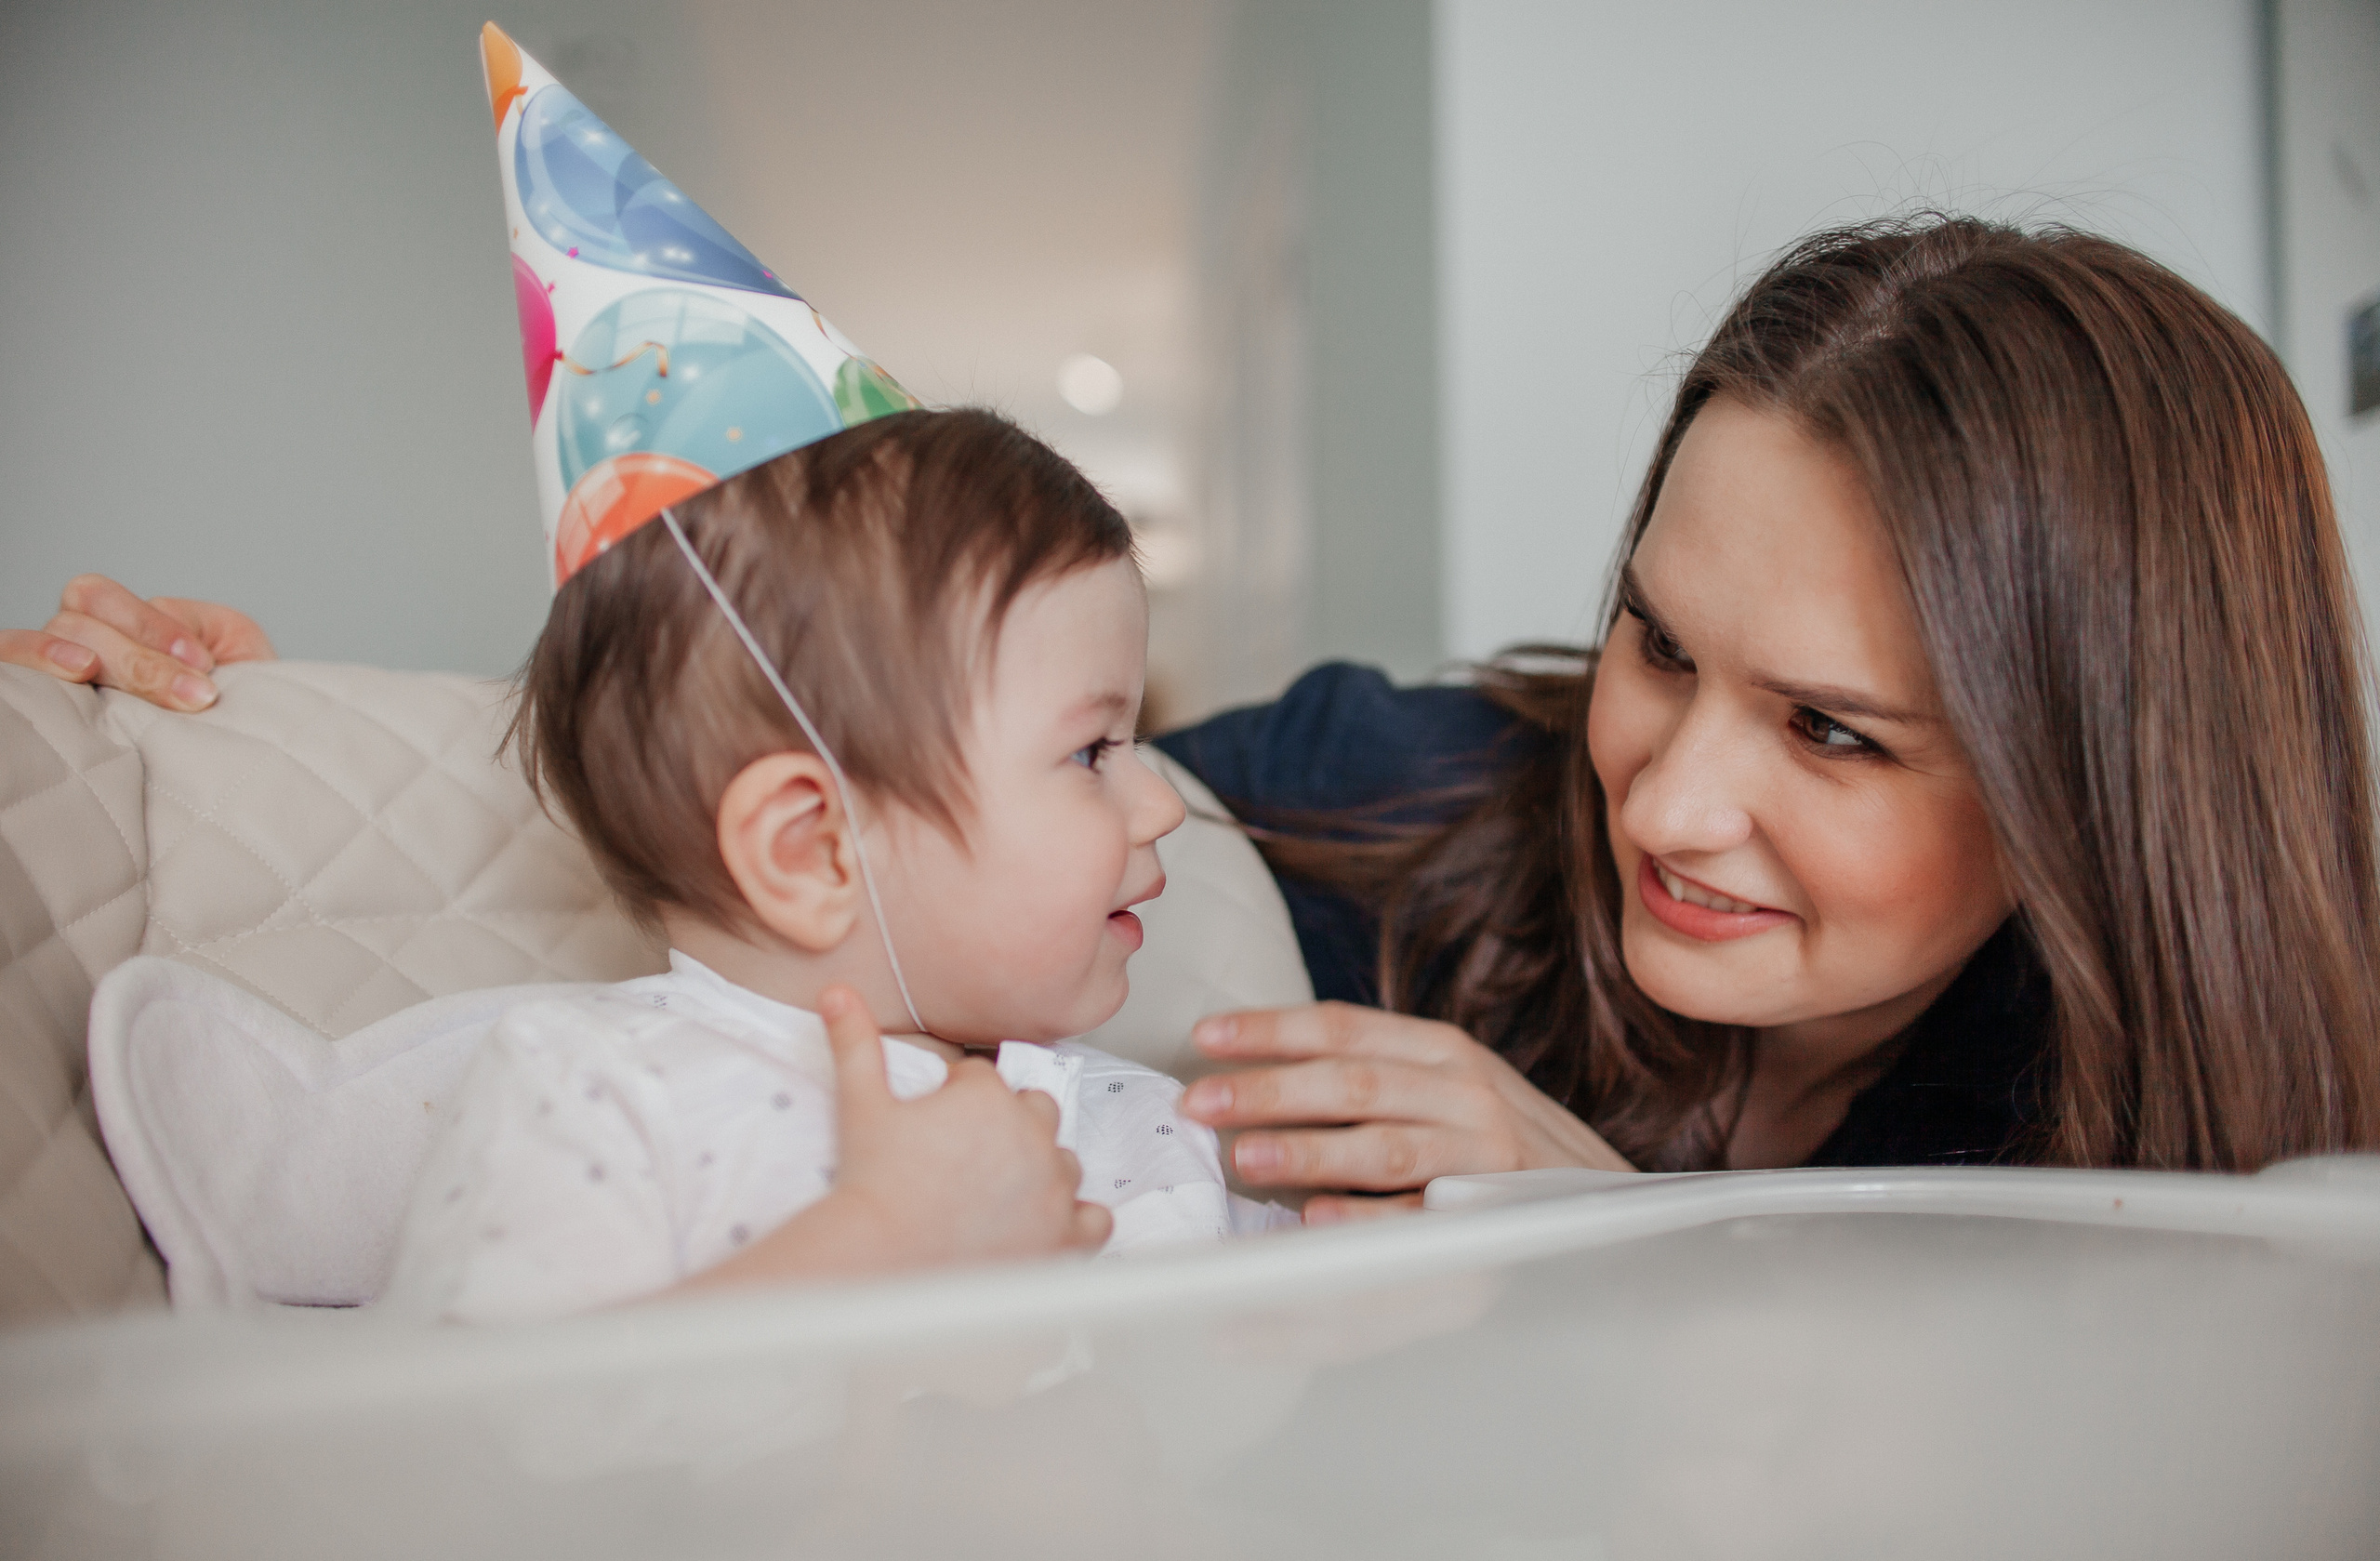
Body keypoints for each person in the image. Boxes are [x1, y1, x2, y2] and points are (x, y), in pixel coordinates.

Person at [26, 217, 2380, 1223]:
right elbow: (867, 778)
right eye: (1655, 643)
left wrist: (1613, 1228)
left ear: (2105, 784)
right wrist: (249, 715)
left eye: (1835, 733)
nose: (1661, 788)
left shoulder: (2200, 1175)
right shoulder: (1382, 792)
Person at [378, 406, 1316, 1323]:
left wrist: (1441, 1210)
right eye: (1091, 751)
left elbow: (1335, 1373)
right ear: (809, 848)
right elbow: (486, 1435)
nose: (1161, 803)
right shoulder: (599, 1093)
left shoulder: (1144, 1123)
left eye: (1135, 737)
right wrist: (875, 1241)